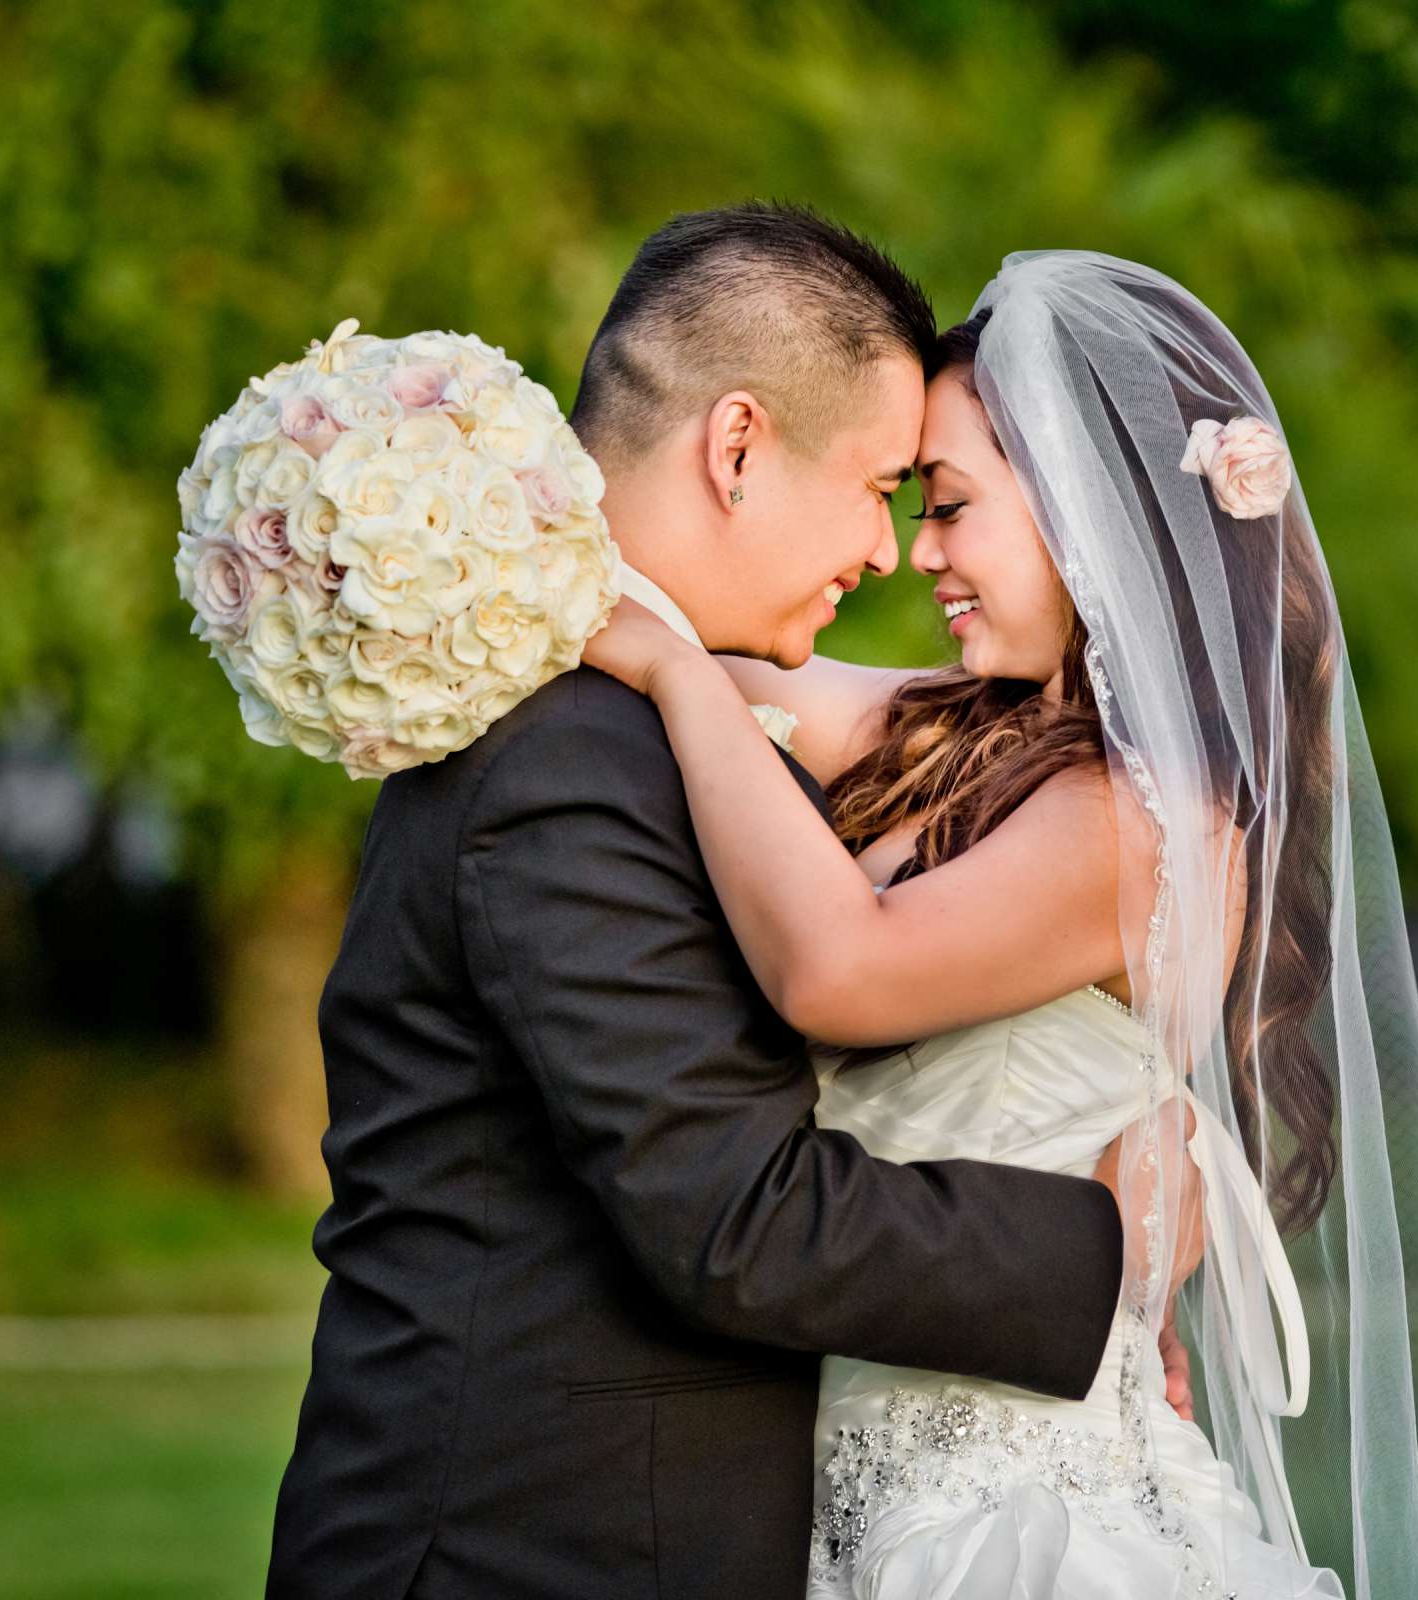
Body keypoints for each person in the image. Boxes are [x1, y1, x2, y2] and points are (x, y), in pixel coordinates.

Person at [263, 208, 1199, 1600]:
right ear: (739, 445)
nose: (892, 554)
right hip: (517, 1554)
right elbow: (734, 1216)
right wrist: (1107, 1244)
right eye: (887, 487)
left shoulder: (639, 712)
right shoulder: (572, 752)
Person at [584, 250, 1418, 1598]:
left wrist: (664, 673)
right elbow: (720, 647)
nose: (917, 552)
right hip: (833, 1467)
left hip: (1021, 1513)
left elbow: (841, 966)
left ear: (1089, 516)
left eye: (947, 506)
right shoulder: (949, 733)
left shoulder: (1148, 820)